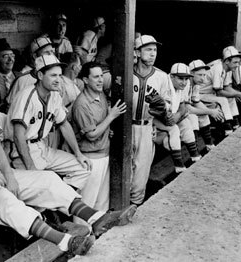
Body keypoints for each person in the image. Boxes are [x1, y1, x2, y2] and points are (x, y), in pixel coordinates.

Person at [0, 56, 137, 256]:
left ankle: (97, 217)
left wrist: (8, 174)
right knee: (3, 197)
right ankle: (65, 241)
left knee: (47, 179)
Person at [4, 54, 92, 192]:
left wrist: (78, 153)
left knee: (83, 168)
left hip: (43, 148)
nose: (58, 80)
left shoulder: (55, 95)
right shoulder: (26, 96)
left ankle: (61, 203)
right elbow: (18, 136)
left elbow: (64, 124)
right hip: (23, 152)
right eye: (53, 75)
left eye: (59, 75)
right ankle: (57, 205)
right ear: (40, 75)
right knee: (41, 188)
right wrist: (31, 167)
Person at [72, 61, 126, 212]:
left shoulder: (100, 94)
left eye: (101, 76)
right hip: (90, 160)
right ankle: (83, 234)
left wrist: (107, 129)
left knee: (102, 202)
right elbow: (91, 135)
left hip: (103, 155)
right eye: (95, 77)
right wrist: (111, 116)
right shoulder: (81, 104)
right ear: (85, 80)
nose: (100, 80)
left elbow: (99, 126)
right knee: (87, 203)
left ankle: (97, 235)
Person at [132, 35, 173, 205]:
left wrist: (163, 108)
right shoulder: (126, 72)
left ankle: (134, 206)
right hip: (126, 126)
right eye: (148, 49)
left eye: (155, 50)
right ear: (137, 52)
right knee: (123, 171)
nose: (153, 53)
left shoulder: (162, 77)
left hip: (147, 126)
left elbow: (168, 107)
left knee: (141, 174)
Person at [198, 46, 241, 136]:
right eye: (235, 62)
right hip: (200, 94)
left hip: (211, 94)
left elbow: (226, 87)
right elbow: (220, 92)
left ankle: (235, 125)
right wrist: (239, 94)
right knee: (223, 99)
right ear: (226, 61)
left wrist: (239, 94)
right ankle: (228, 129)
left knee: (232, 98)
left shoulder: (229, 68)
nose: (237, 65)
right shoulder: (217, 67)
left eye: (238, 62)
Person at [6, 37, 55, 108]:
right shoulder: (22, 80)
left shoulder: (58, 78)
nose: (51, 56)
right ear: (35, 56)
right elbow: (10, 107)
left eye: (52, 52)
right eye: (47, 52)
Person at [167, 63, 202, 162]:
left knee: (186, 122)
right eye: (181, 78)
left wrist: (178, 115)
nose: (184, 82)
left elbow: (182, 107)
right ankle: (179, 166)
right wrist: (176, 116)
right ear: (172, 76)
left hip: (171, 118)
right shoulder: (164, 85)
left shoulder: (179, 87)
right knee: (175, 130)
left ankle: (195, 156)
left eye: (186, 79)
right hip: (156, 123)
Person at [187, 60, 225, 151]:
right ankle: (194, 153)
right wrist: (210, 111)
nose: (203, 78)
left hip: (182, 110)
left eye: (204, 75)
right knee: (193, 118)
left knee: (203, 114)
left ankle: (209, 145)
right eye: (200, 75)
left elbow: (196, 102)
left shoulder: (196, 84)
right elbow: (187, 109)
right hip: (170, 111)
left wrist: (212, 112)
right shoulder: (185, 83)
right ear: (191, 73)